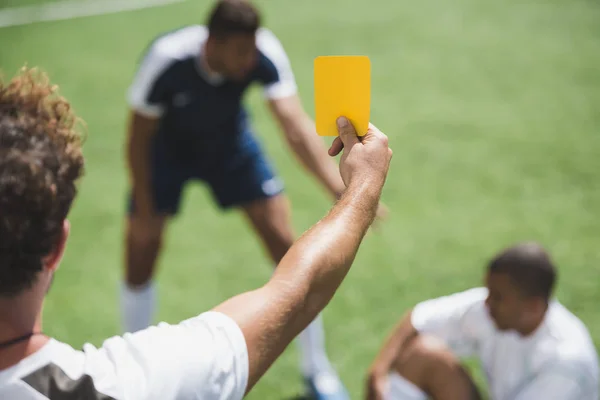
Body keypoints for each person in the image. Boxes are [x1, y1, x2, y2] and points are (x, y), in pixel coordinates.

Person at [0, 66, 393, 399]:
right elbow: (299, 291)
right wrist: (363, 187)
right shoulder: (126, 384)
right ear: (57, 246)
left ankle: (316, 367)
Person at [122, 1, 386, 397]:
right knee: (141, 248)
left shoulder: (263, 51)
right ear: (212, 43)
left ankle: (317, 370)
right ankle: (131, 375)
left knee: (287, 245)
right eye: (240, 52)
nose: (249, 61)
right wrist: (144, 206)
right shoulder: (167, 58)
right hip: (166, 154)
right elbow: (138, 137)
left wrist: (341, 188)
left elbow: (294, 127)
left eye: (252, 50)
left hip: (229, 146)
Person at [365, 242, 599, 400]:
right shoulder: (496, 312)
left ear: (533, 306)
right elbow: (419, 319)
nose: (486, 303)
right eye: (488, 291)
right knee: (424, 354)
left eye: (497, 297)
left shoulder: (567, 362)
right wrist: (378, 371)